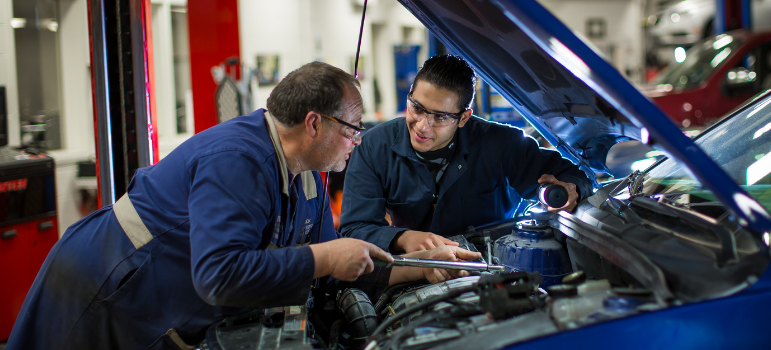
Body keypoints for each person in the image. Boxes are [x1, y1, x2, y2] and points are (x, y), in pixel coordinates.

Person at [7, 62, 479, 350]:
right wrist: (323, 257)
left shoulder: (307, 177)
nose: (360, 140)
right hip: (104, 289)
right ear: (314, 123)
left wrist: (423, 267)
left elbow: (341, 263)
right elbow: (218, 274)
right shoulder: (238, 160)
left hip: (162, 306)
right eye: (353, 128)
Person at [340, 55, 593, 253]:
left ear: (463, 118)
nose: (422, 125)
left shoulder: (502, 144)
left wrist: (572, 189)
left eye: (440, 116)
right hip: (416, 272)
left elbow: (575, 176)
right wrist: (403, 238)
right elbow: (354, 228)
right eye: (416, 107)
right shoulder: (374, 147)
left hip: (493, 268)